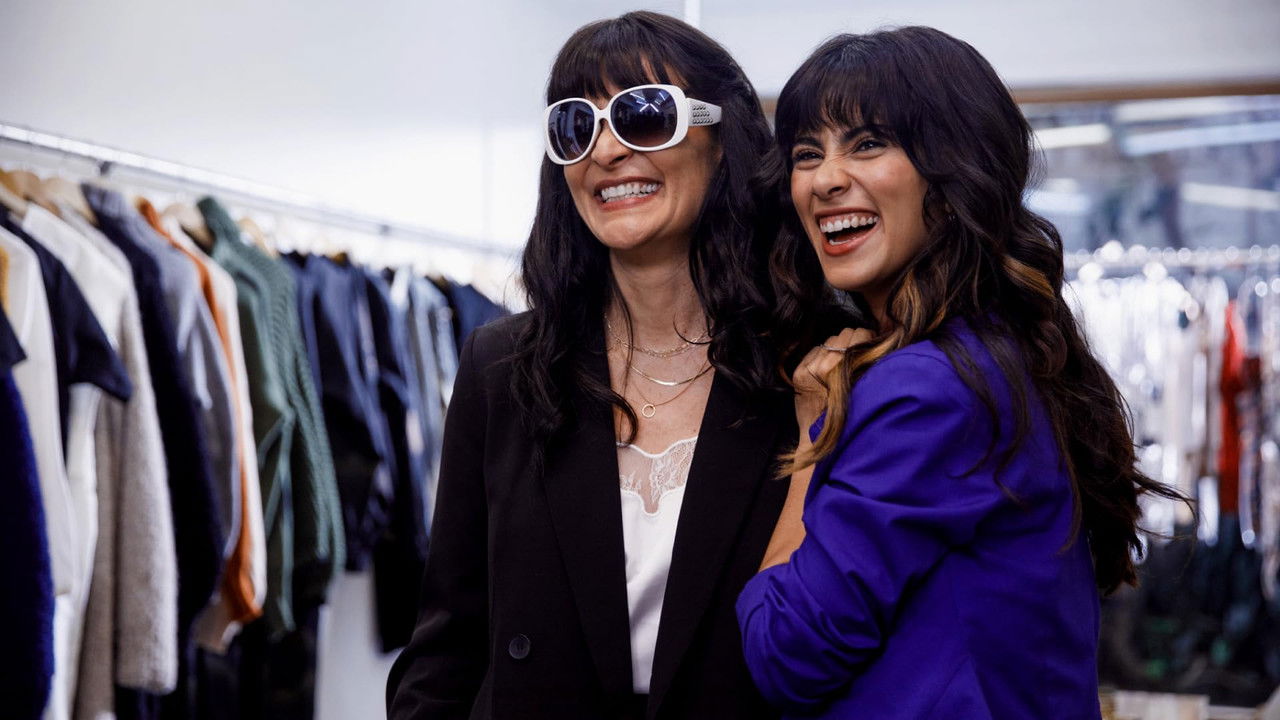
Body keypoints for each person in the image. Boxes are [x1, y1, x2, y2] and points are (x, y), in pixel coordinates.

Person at [387, 12, 845, 720]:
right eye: (576, 127)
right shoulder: (503, 367)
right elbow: (447, 644)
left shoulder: (819, 364)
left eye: (643, 116)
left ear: (721, 140)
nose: (604, 151)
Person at [736, 27, 1188, 719]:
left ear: (953, 173)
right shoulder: (1002, 353)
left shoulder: (927, 388)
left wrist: (813, 438)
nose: (825, 179)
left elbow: (786, 652)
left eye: (868, 143)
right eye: (806, 153)